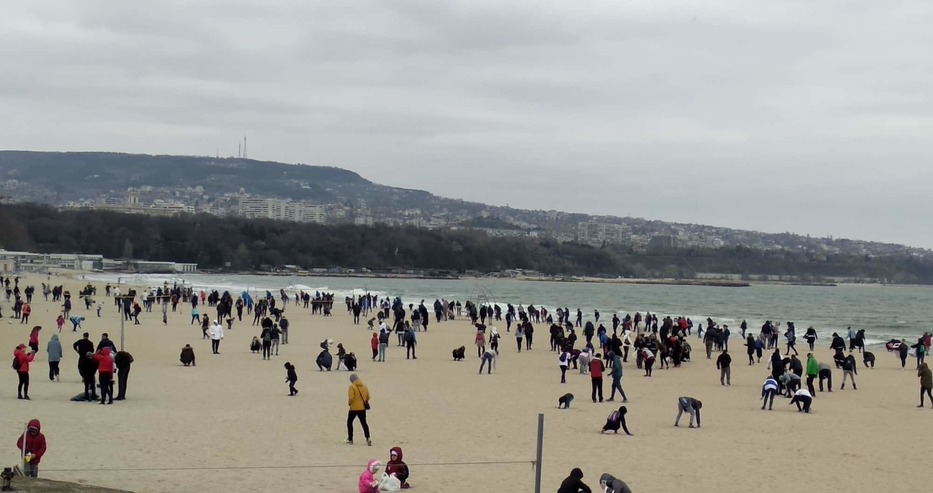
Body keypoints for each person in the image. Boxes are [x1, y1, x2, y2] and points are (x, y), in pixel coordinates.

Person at [346, 373, 372, 446]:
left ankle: (350, 439)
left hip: (354, 408)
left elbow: (351, 398)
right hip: (362, 408)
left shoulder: (352, 387)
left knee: (349, 422)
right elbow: (368, 397)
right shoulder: (364, 386)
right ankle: (368, 437)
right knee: (364, 423)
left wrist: (349, 403)